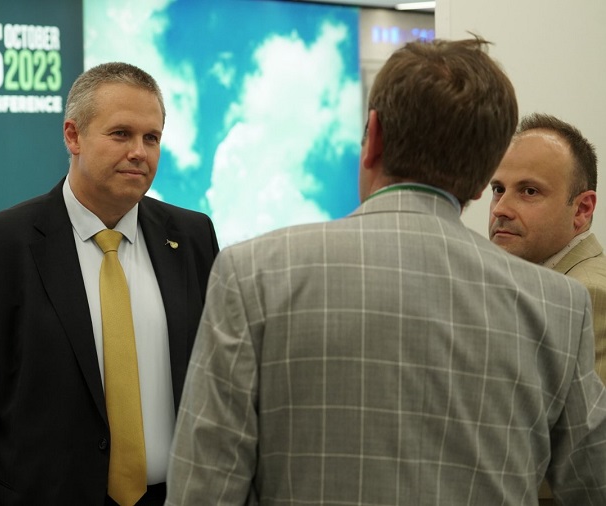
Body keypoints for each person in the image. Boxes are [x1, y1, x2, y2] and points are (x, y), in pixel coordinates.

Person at [165, 37, 606, 505]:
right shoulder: (558, 304)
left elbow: (203, 491)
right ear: (482, 181)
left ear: (372, 138)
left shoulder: (252, 274)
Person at [0, 61, 220, 505]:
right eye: (121, 134)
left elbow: (218, 384)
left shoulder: (192, 237)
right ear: (73, 136)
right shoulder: (0, 245)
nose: (139, 152)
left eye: (151, 138)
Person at [490, 113, 605, 382]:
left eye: (529, 191)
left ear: (582, 209)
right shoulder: (540, 283)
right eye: (498, 189)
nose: (500, 209)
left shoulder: (588, 295)